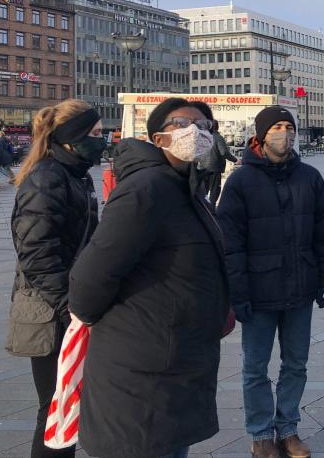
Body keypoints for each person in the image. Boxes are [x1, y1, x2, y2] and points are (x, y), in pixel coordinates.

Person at [69, 97, 230, 458]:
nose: (197, 132)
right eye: (183, 124)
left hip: (173, 366)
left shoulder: (185, 188)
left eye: (206, 126)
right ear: (158, 139)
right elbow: (90, 278)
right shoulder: (147, 188)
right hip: (142, 370)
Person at [217, 106, 324, 458]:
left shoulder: (310, 177)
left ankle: (288, 429)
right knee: (255, 368)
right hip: (258, 291)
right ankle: (260, 434)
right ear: (260, 135)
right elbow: (231, 242)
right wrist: (237, 292)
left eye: (289, 127)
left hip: (300, 286)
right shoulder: (240, 181)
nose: (284, 133)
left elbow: (323, 231)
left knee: (296, 364)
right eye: (277, 127)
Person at [10, 100, 103, 458]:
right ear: (71, 138)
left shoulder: (74, 175)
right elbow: (36, 253)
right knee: (56, 409)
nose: (102, 140)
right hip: (52, 313)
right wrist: (68, 306)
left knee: (66, 409)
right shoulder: (48, 178)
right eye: (95, 134)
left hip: (66, 307)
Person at [190, 101, 237, 208]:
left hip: (203, 167)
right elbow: (223, 152)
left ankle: (203, 208)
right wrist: (235, 160)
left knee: (204, 190)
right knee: (215, 190)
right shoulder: (218, 138)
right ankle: (211, 209)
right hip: (214, 168)